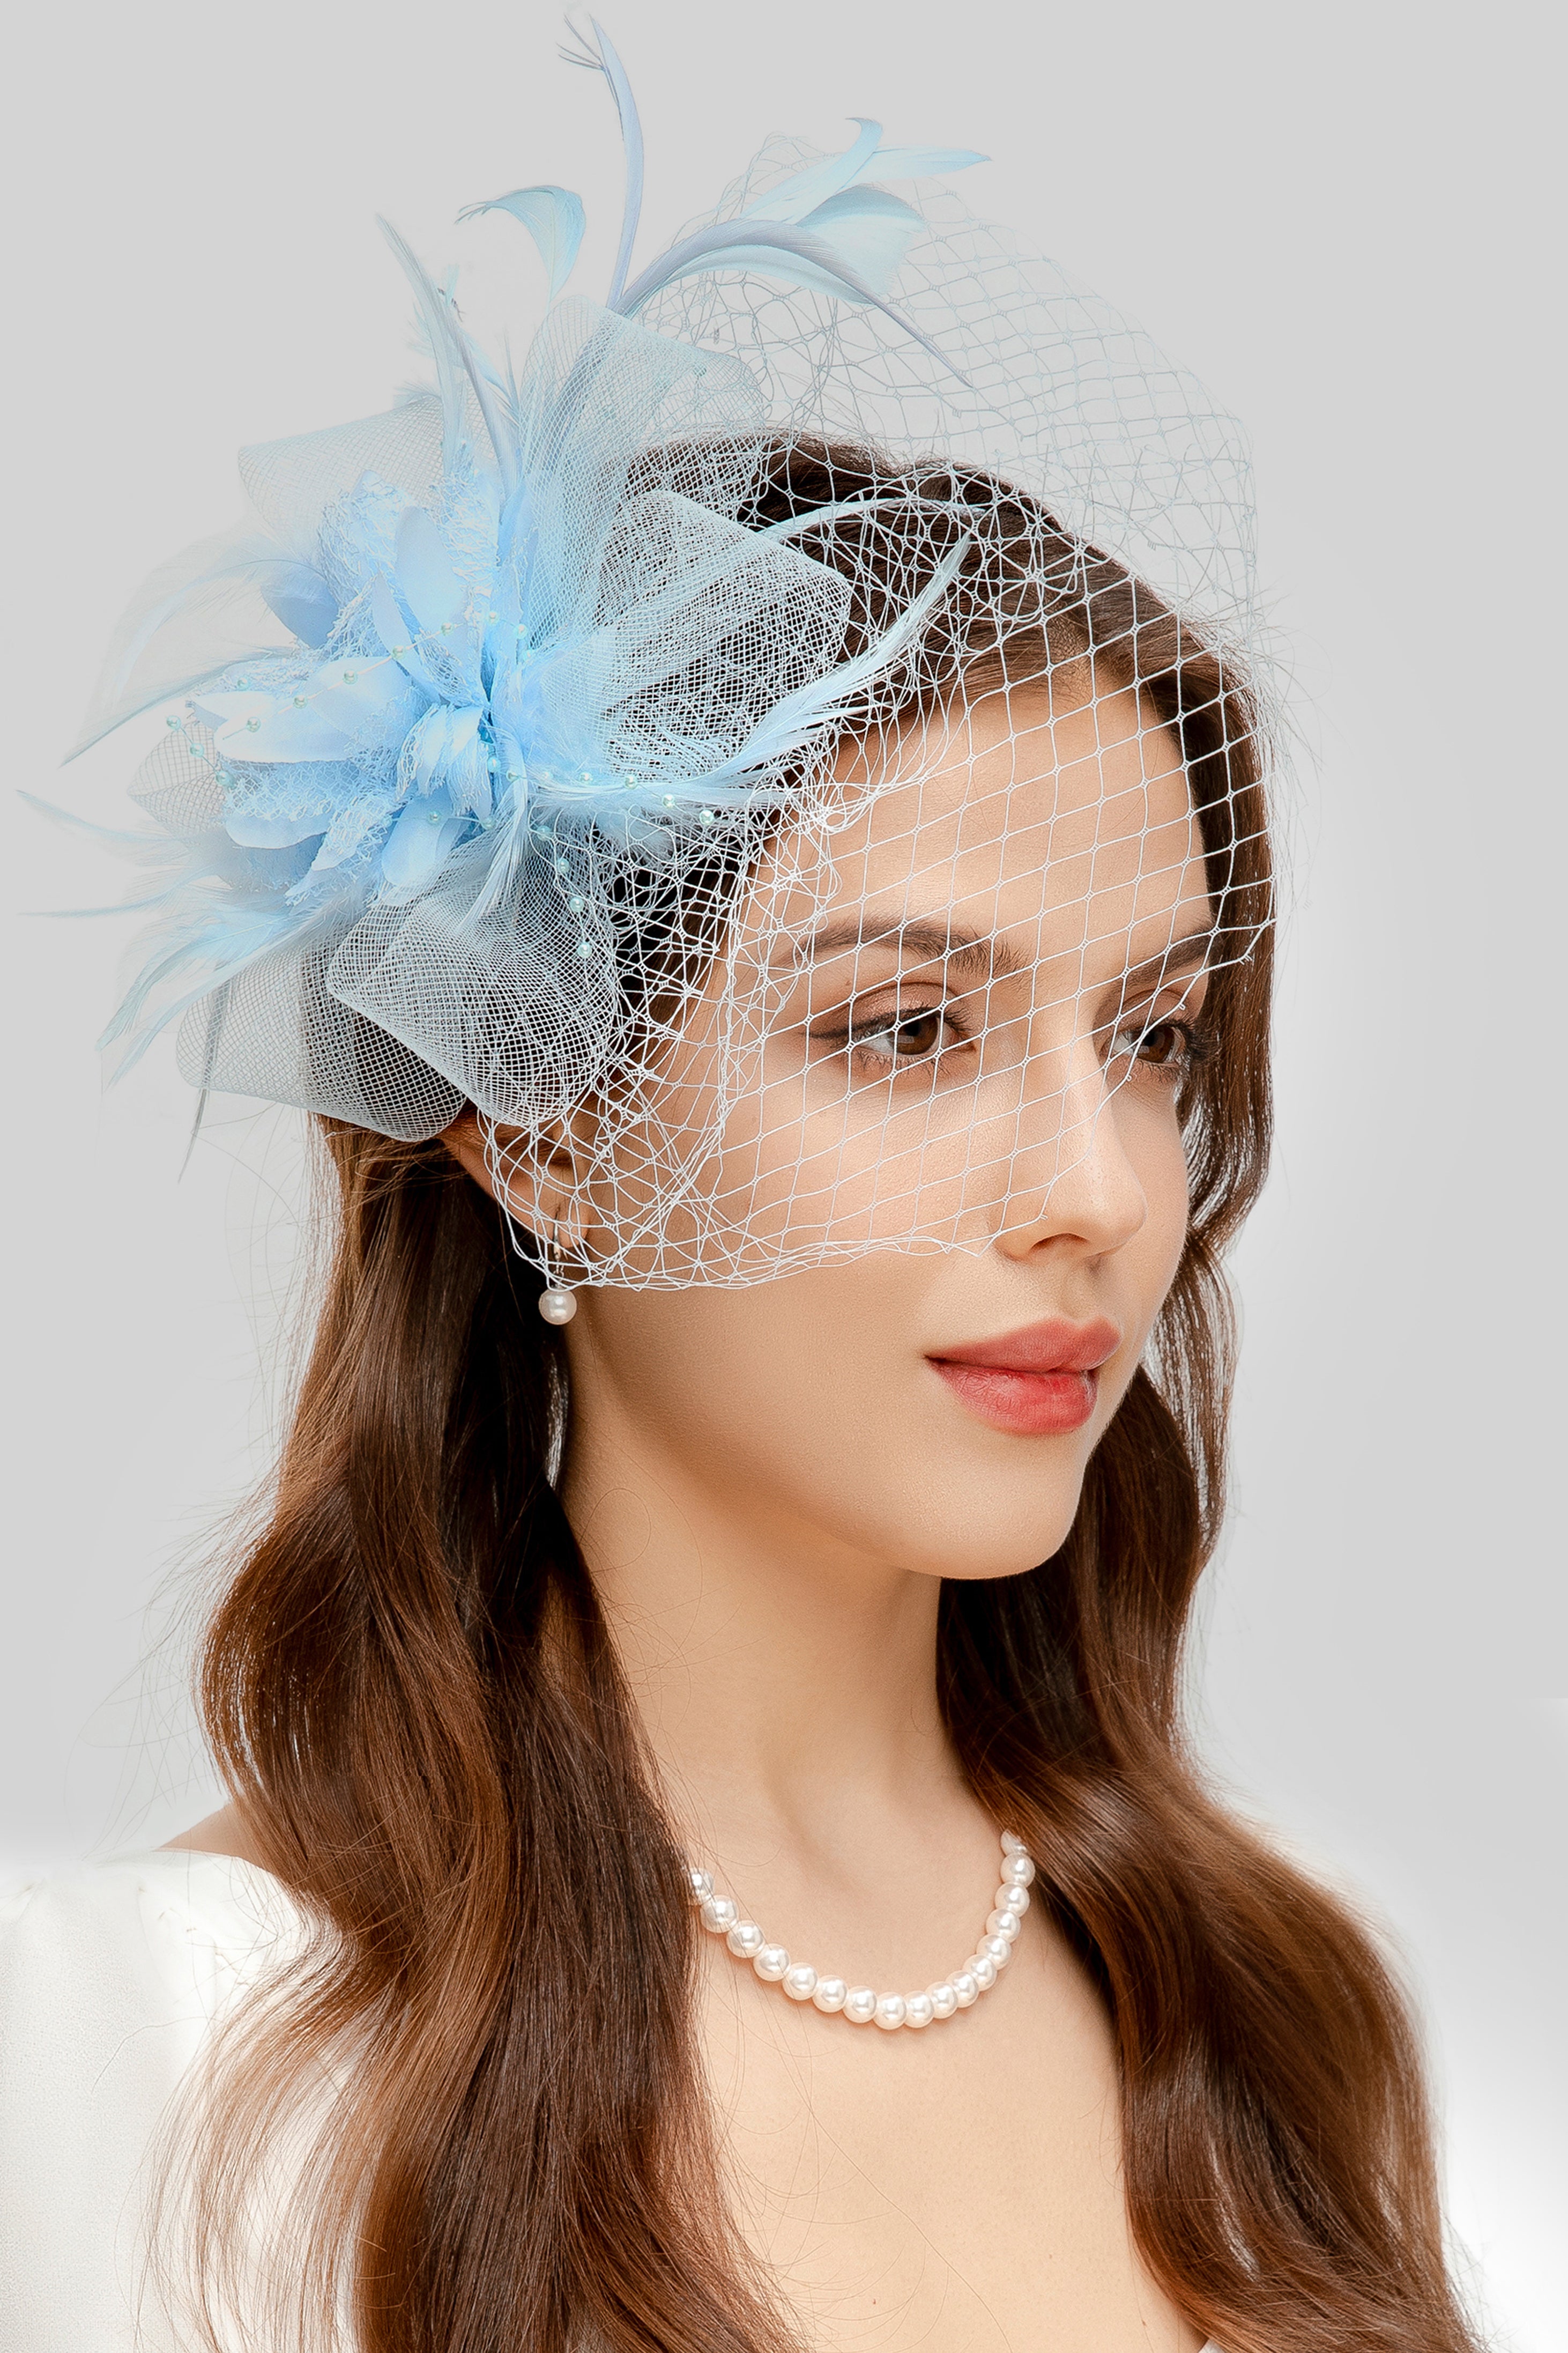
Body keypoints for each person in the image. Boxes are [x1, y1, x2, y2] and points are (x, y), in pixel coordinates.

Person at [0, 28, 1481, 2353]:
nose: (1098, 1188)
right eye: (906, 1027)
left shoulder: (1278, 2003)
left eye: (1152, 1034)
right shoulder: (154, 2055)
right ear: (534, 1112)